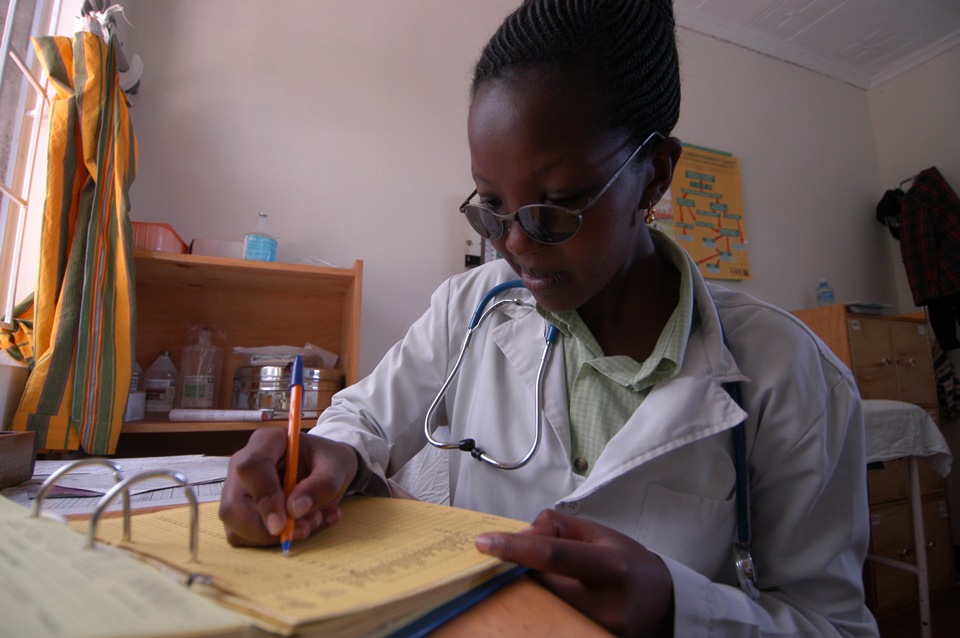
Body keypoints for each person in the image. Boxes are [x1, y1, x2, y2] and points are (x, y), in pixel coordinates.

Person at [220, 1, 879, 635]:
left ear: (653, 176)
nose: (516, 244)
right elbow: (363, 417)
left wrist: (678, 610)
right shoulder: (469, 307)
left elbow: (835, 624)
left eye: (556, 206)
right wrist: (327, 457)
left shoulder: (790, 377)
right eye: (490, 207)